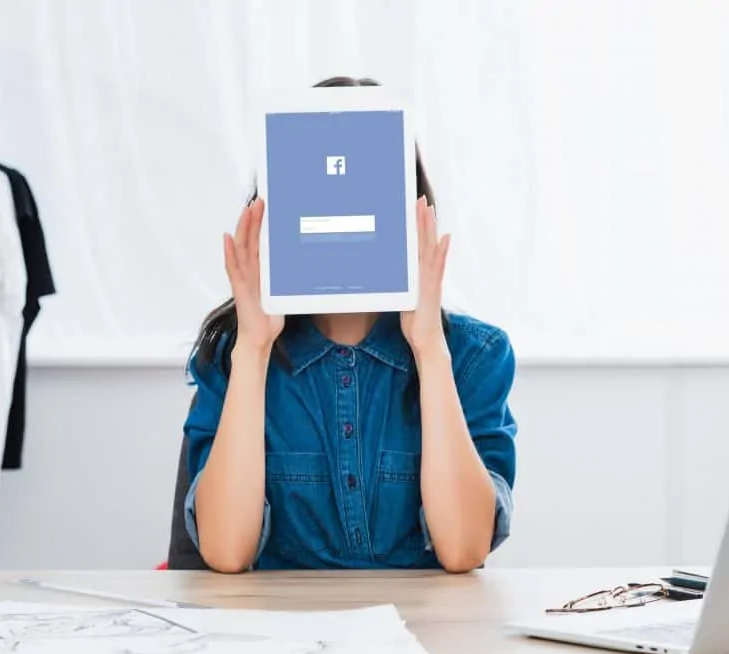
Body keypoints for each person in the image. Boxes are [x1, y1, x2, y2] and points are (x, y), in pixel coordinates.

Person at [183, 77, 517, 573]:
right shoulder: (237, 352)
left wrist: (428, 349)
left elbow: (464, 548)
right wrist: (252, 350)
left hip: (426, 639)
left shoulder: (474, 356)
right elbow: (227, 552)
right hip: (283, 637)